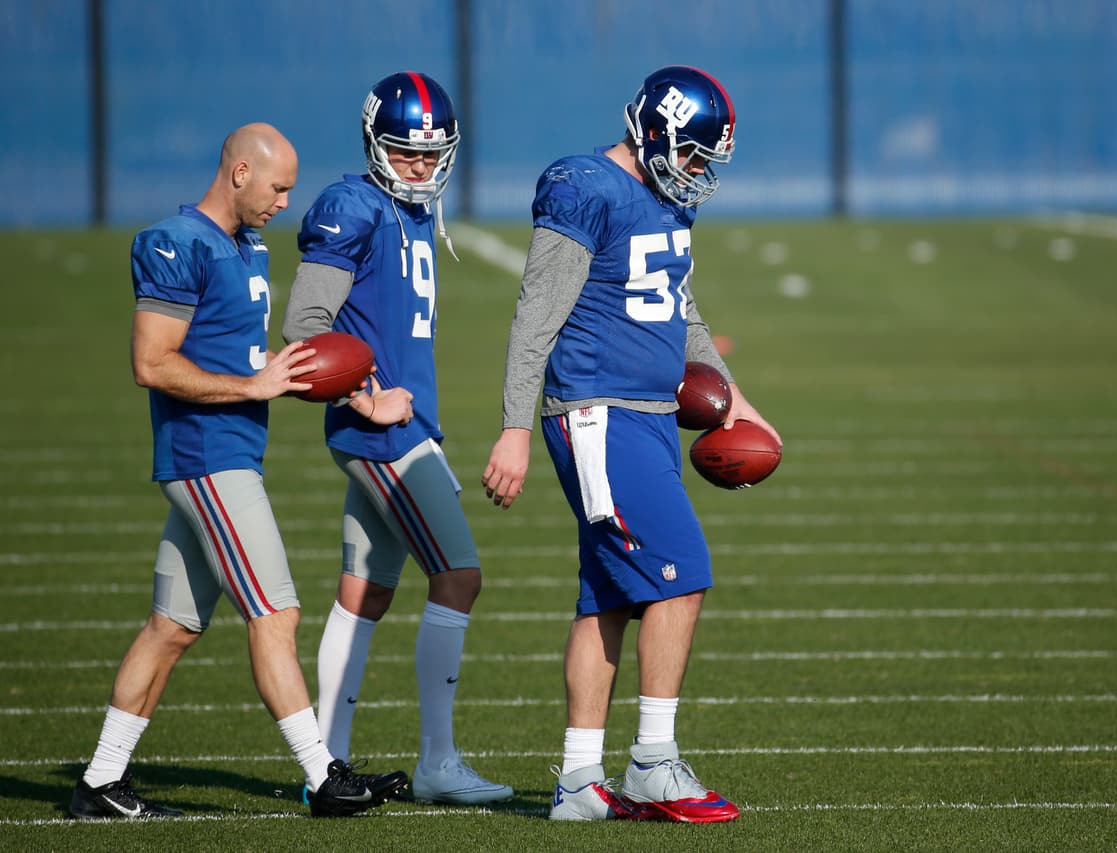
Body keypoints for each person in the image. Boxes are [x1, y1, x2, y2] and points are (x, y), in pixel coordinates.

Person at [70, 123, 409, 820]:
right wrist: (251, 389)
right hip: (206, 456)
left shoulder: (247, 248)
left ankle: (99, 782)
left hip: (228, 451)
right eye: (277, 187)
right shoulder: (177, 242)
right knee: (276, 610)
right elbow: (151, 363)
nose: (284, 202)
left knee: (171, 627)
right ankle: (323, 777)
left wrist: (353, 393)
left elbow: (255, 360)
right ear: (240, 172)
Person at [481, 65, 781, 823]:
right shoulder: (585, 186)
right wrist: (515, 427)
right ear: (653, 131)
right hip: (595, 414)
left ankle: (580, 782)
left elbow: (681, 317)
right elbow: (535, 317)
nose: (698, 173)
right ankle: (652, 762)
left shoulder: (665, 203)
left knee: (607, 599)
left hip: (644, 416)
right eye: (691, 155)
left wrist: (740, 403)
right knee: (682, 575)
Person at [281, 71, 511, 806]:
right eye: (405, 153)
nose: (420, 166)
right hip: (383, 434)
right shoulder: (353, 206)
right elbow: (303, 329)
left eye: (431, 153)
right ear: (375, 145)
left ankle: (328, 764)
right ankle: (439, 761)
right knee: (460, 574)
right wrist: (366, 399)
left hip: (401, 426)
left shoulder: (410, 213)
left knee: (365, 591)